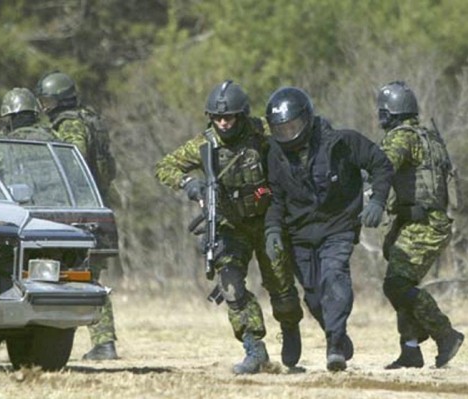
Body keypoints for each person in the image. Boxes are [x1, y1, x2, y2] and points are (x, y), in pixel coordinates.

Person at [155, 80, 304, 373]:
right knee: (231, 285)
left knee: (280, 284)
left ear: (242, 115)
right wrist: (190, 184)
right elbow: (164, 166)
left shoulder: (261, 133)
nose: (223, 123)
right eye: (217, 117)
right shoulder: (204, 144)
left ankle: (289, 326)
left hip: (265, 220)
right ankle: (254, 347)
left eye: (229, 117)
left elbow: (293, 144)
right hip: (229, 225)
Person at [264, 86, 394, 372]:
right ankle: (337, 334)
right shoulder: (274, 154)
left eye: (293, 127)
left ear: (307, 120)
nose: (288, 135)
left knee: (334, 276)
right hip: (298, 233)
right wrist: (272, 229)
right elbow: (274, 195)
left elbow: (381, 164)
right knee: (313, 295)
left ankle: (334, 344)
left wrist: (377, 201)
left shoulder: (342, 142)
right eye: (280, 130)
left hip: (338, 225)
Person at [376, 80, 464, 369]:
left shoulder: (401, 137)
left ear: (391, 112)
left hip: (422, 223)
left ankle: (444, 333)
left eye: (383, 112)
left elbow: (383, 167)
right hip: (426, 221)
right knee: (403, 283)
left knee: (397, 284)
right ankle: (411, 349)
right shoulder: (429, 138)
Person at [35, 70, 119, 361]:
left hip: (79, 209)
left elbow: (72, 159)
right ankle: (103, 340)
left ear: (57, 100)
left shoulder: (70, 125)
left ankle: (103, 342)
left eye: (46, 100)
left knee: (82, 274)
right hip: (97, 205)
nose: (44, 106)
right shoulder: (90, 120)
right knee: (89, 273)